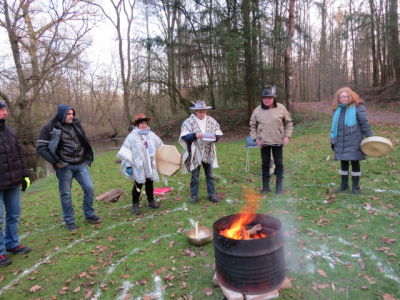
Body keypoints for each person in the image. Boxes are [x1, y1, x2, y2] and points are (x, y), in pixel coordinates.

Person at [36, 104, 101, 230]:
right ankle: (69, 220)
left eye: (72, 114)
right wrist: (55, 161)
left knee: (89, 188)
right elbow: (41, 147)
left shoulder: (76, 124)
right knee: (66, 194)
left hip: (81, 164)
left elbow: (83, 140)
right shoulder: (49, 127)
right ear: (61, 114)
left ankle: (89, 214)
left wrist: (87, 156)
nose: (71, 116)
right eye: (68, 114)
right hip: (64, 166)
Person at [0, 101, 31, 267]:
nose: (5, 112)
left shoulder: (9, 132)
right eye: (2, 110)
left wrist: (25, 176)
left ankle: (12, 244)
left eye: (5, 109)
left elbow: (19, 155)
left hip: (13, 182)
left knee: (13, 213)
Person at [117, 113, 164, 215]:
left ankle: (151, 201)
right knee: (138, 184)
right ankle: (135, 205)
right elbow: (126, 152)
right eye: (141, 123)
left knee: (149, 183)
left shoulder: (151, 135)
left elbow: (160, 146)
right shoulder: (132, 136)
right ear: (137, 125)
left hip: (149, 164)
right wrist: (128, 165)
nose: (144, 125)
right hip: (138, 165)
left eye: (145, 123)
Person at [249, 86, 293, 195]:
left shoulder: (281, 108)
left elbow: (289, 123)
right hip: (263, 142)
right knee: (265, 164)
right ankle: (265, 187)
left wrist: (287, 136)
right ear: (262, 99)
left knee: (279, 164)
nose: (267, 100)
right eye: (264, 98)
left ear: (273, 98)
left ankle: (279, 188)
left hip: (278, 141)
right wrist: (255, 138)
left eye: (269, 97)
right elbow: (252, 126)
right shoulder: (257, 110)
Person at [330, 87, 374, 194]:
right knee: (343, 163)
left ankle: (355, 187)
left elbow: (364, 123)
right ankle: (344, 185)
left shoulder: (358, 107)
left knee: (355, 163)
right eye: (341, 97)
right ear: (338, 99)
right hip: (340, 141)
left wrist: (371, 137)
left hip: (355, 141)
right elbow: (335, 127)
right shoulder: (337, 109)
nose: (343, 99)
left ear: (350, 97)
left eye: (345, 97)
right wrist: (333, 140)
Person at [179, 100, 223, 203]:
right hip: (195, 151)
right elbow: (184, 135)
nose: (202, 113)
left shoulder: (211, 120)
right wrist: (195, 135)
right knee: (195, 176)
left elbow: (218, 131)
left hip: (208, 151)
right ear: (196, 111)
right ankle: (194, 196)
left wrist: (215, 137)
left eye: (203, 111)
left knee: (210, 174)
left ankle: (212, 194)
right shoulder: (188, 122)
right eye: (200, 111)